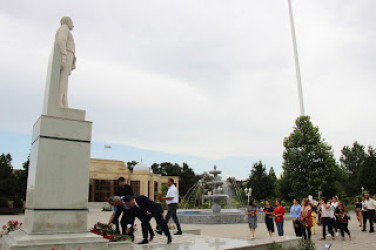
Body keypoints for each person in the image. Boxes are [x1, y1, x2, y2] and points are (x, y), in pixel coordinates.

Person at [55, 16, 77, 108]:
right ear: (67, 21)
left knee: (65, 80)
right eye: (71, 22)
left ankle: (64, 102)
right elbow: (61, 40)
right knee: (63, 79)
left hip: (68, 55)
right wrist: (64, 55)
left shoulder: (65, 30)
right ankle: (59, 101)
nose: (73, 25)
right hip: (66, 54)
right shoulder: (64, 28)